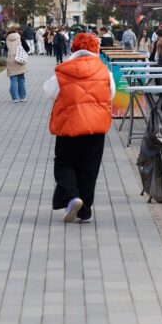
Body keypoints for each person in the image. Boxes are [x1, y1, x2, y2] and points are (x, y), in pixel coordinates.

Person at [42, 33, 115, 223]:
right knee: (89, 169)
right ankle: (85, 212)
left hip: (69, 126)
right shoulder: (105, 71)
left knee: (64, 164)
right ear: (95, 49)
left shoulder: (63, 71)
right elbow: (111, 94)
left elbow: (48, 91)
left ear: (73, 48)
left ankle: (72, 197)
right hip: (96, 127)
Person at [5, 26, 29, 103]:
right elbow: (27, 48)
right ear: (16, 31)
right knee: (21, 79)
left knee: (13, 79)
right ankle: (22, 97)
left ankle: (15, 98)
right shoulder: (20, 37)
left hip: (11, 60)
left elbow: (6, 49)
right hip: (19, 59)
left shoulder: (7, 38)